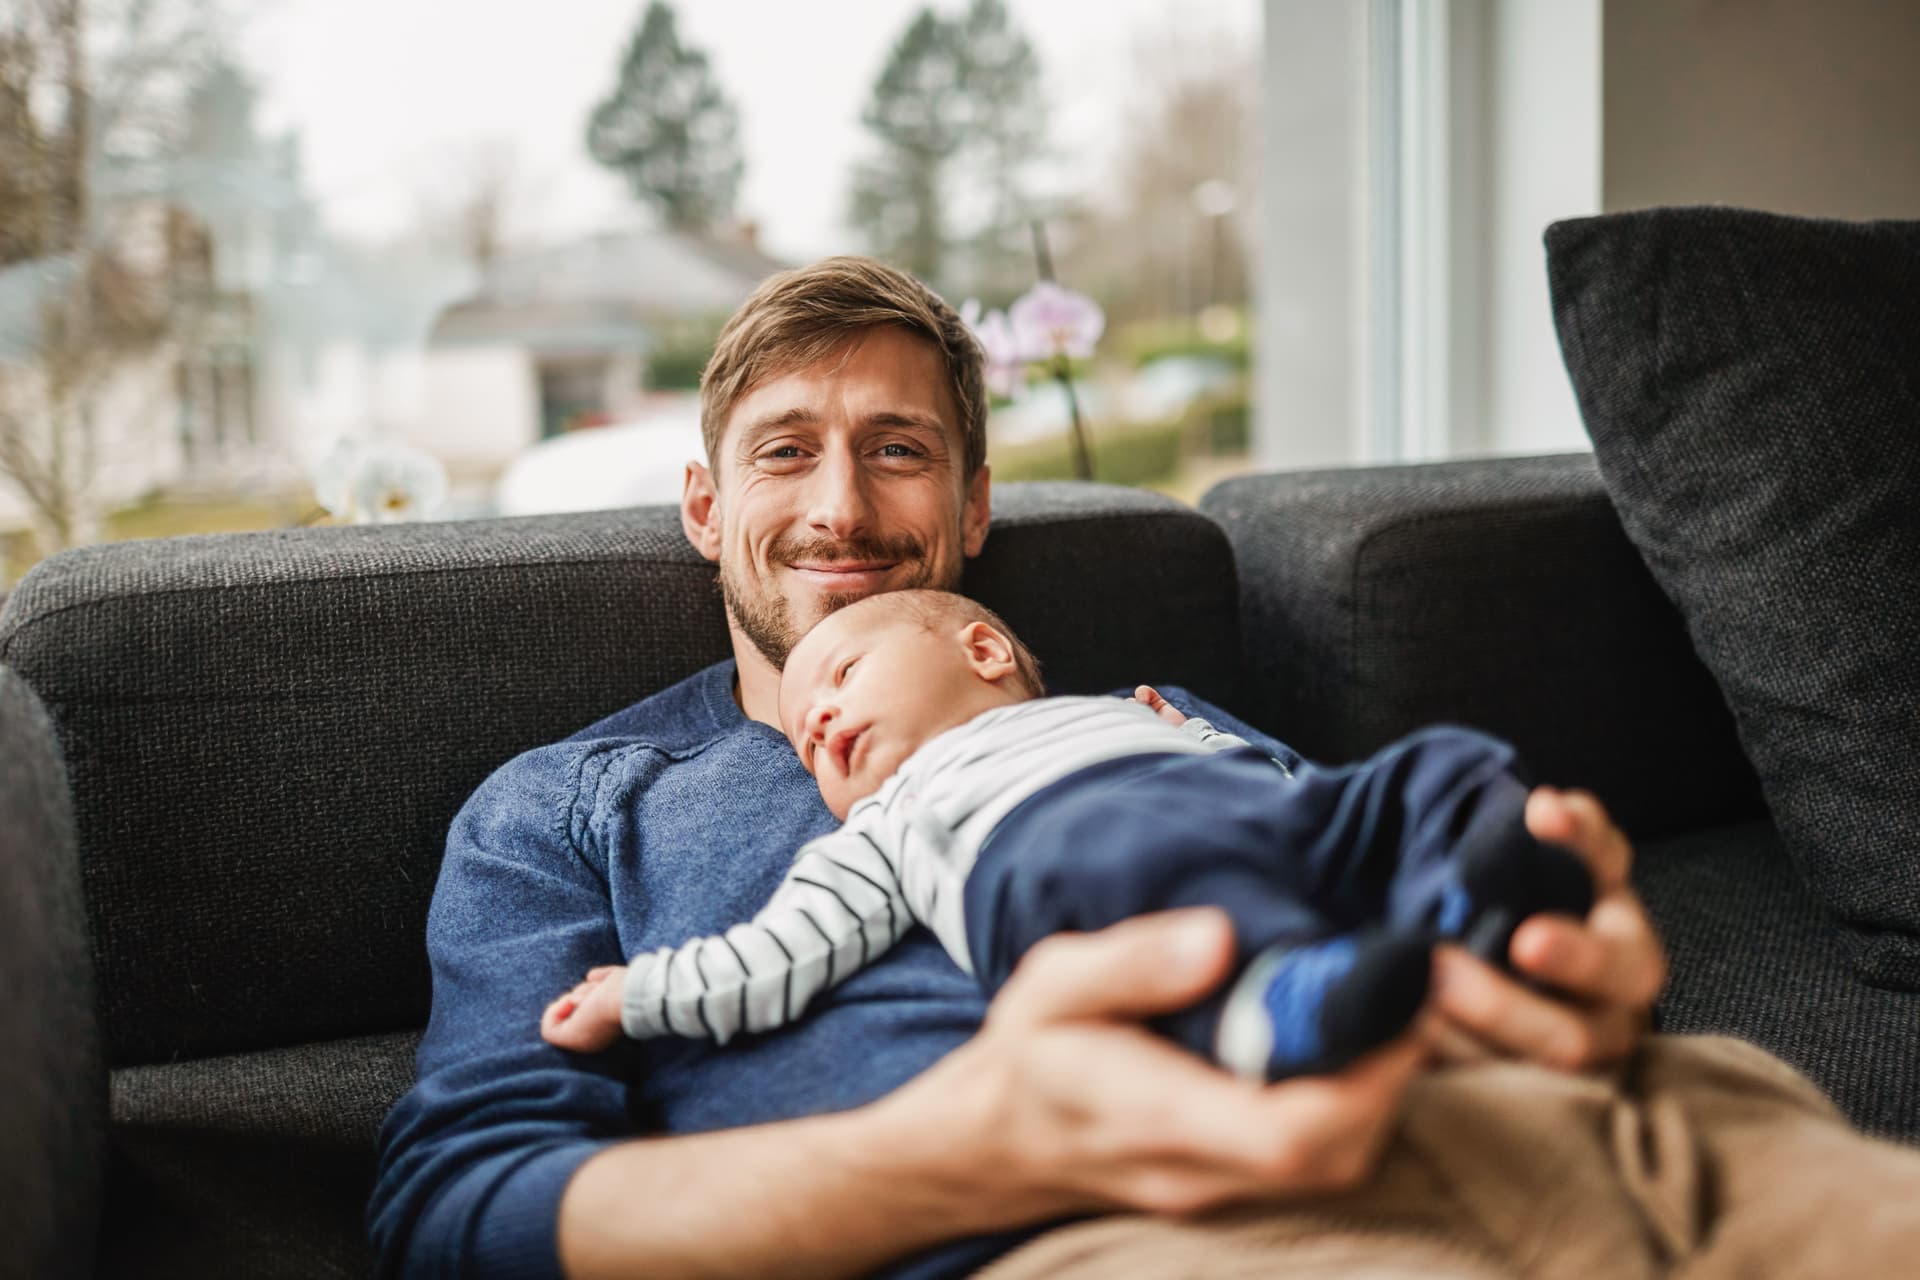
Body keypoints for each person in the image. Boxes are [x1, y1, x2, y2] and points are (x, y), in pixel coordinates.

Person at [368, 256, 1669, 1280]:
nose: (843, 509)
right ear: (705, 509)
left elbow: (1379, 859)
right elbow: (459, 1218)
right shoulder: (574, 803)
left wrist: (1551, 959)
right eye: (782, 451)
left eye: (898, 448)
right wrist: (963, 1155)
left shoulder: (1153, 719)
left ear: (974, 506)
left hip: (1539, 1134)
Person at [541, 589, 1594, 1083]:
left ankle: (1471, 893)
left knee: (1437, 761)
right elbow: (772, 956)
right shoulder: (890, 823)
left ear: (985, 647)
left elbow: (1281, 780)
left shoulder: (1137, 706)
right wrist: (637, 992)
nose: (816, 719)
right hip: (1064, 864)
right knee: (1168, 919)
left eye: (847, 675)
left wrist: (1201, 738)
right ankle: (1276, 1011)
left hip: (1248, 810)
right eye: (808, 732)